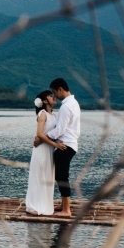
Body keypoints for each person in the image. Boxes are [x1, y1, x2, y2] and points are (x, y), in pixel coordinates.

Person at [34, 78, 81, 217]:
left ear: (60, 89)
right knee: (60, 175)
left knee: (62, 176)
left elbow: (59, 130)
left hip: (64, 145)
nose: (55, 95)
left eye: (55, 92)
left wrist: (42, 138)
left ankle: (67, 210)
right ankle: (63, 204)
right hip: (69, 143)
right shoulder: (74, 103)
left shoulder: (66, 106)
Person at [26, 90, 67, 215]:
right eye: (50, 96)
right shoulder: (42, 114)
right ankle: (34, 206)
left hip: (50, 150)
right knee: (39, 176)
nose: (53, 97)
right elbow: (39, 134)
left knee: (48, 176)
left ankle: (45, 205)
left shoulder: (55, 115)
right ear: (44, 101)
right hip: (42, 150)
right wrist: (55, 144)